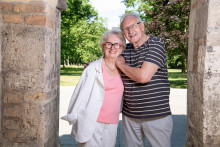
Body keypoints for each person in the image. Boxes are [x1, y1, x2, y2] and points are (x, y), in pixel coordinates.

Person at [115, 13, 173, 147]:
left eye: (133, 26)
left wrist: (121, 65)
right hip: (130, 116)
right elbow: (109, 60)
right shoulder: (125, 49)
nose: (130, 31)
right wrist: (92, 66)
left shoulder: (156, 43)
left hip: (156, 116)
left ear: (142, 26)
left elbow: (143, 77)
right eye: (125, 29)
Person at [61, 29, 126, 147]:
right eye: (109, 44)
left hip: (112, 122)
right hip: (92, 121)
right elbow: (79, 95)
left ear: (122, 48)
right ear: (103, 46)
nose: (113, 48)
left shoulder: (124, 69)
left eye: (117, 44)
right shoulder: (92, 68)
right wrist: (75, 119)